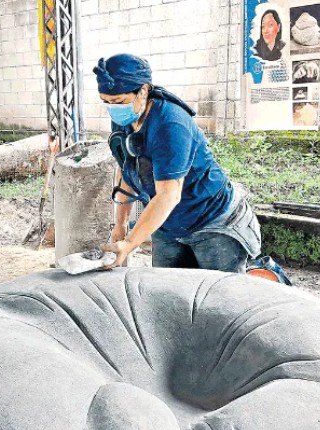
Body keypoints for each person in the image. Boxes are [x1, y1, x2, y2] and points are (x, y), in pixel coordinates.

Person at [95, 54, 261, 273]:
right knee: (168, 296)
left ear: (143, 91)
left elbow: (168, 195)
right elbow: (126, 169)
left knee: (217, 297)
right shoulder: (125, 117)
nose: (112, 108)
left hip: (213, 220)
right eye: (106, 102)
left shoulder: (170, 123)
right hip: (168, 224)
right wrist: (120, 225)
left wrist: (129, 244)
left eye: (117, 102)